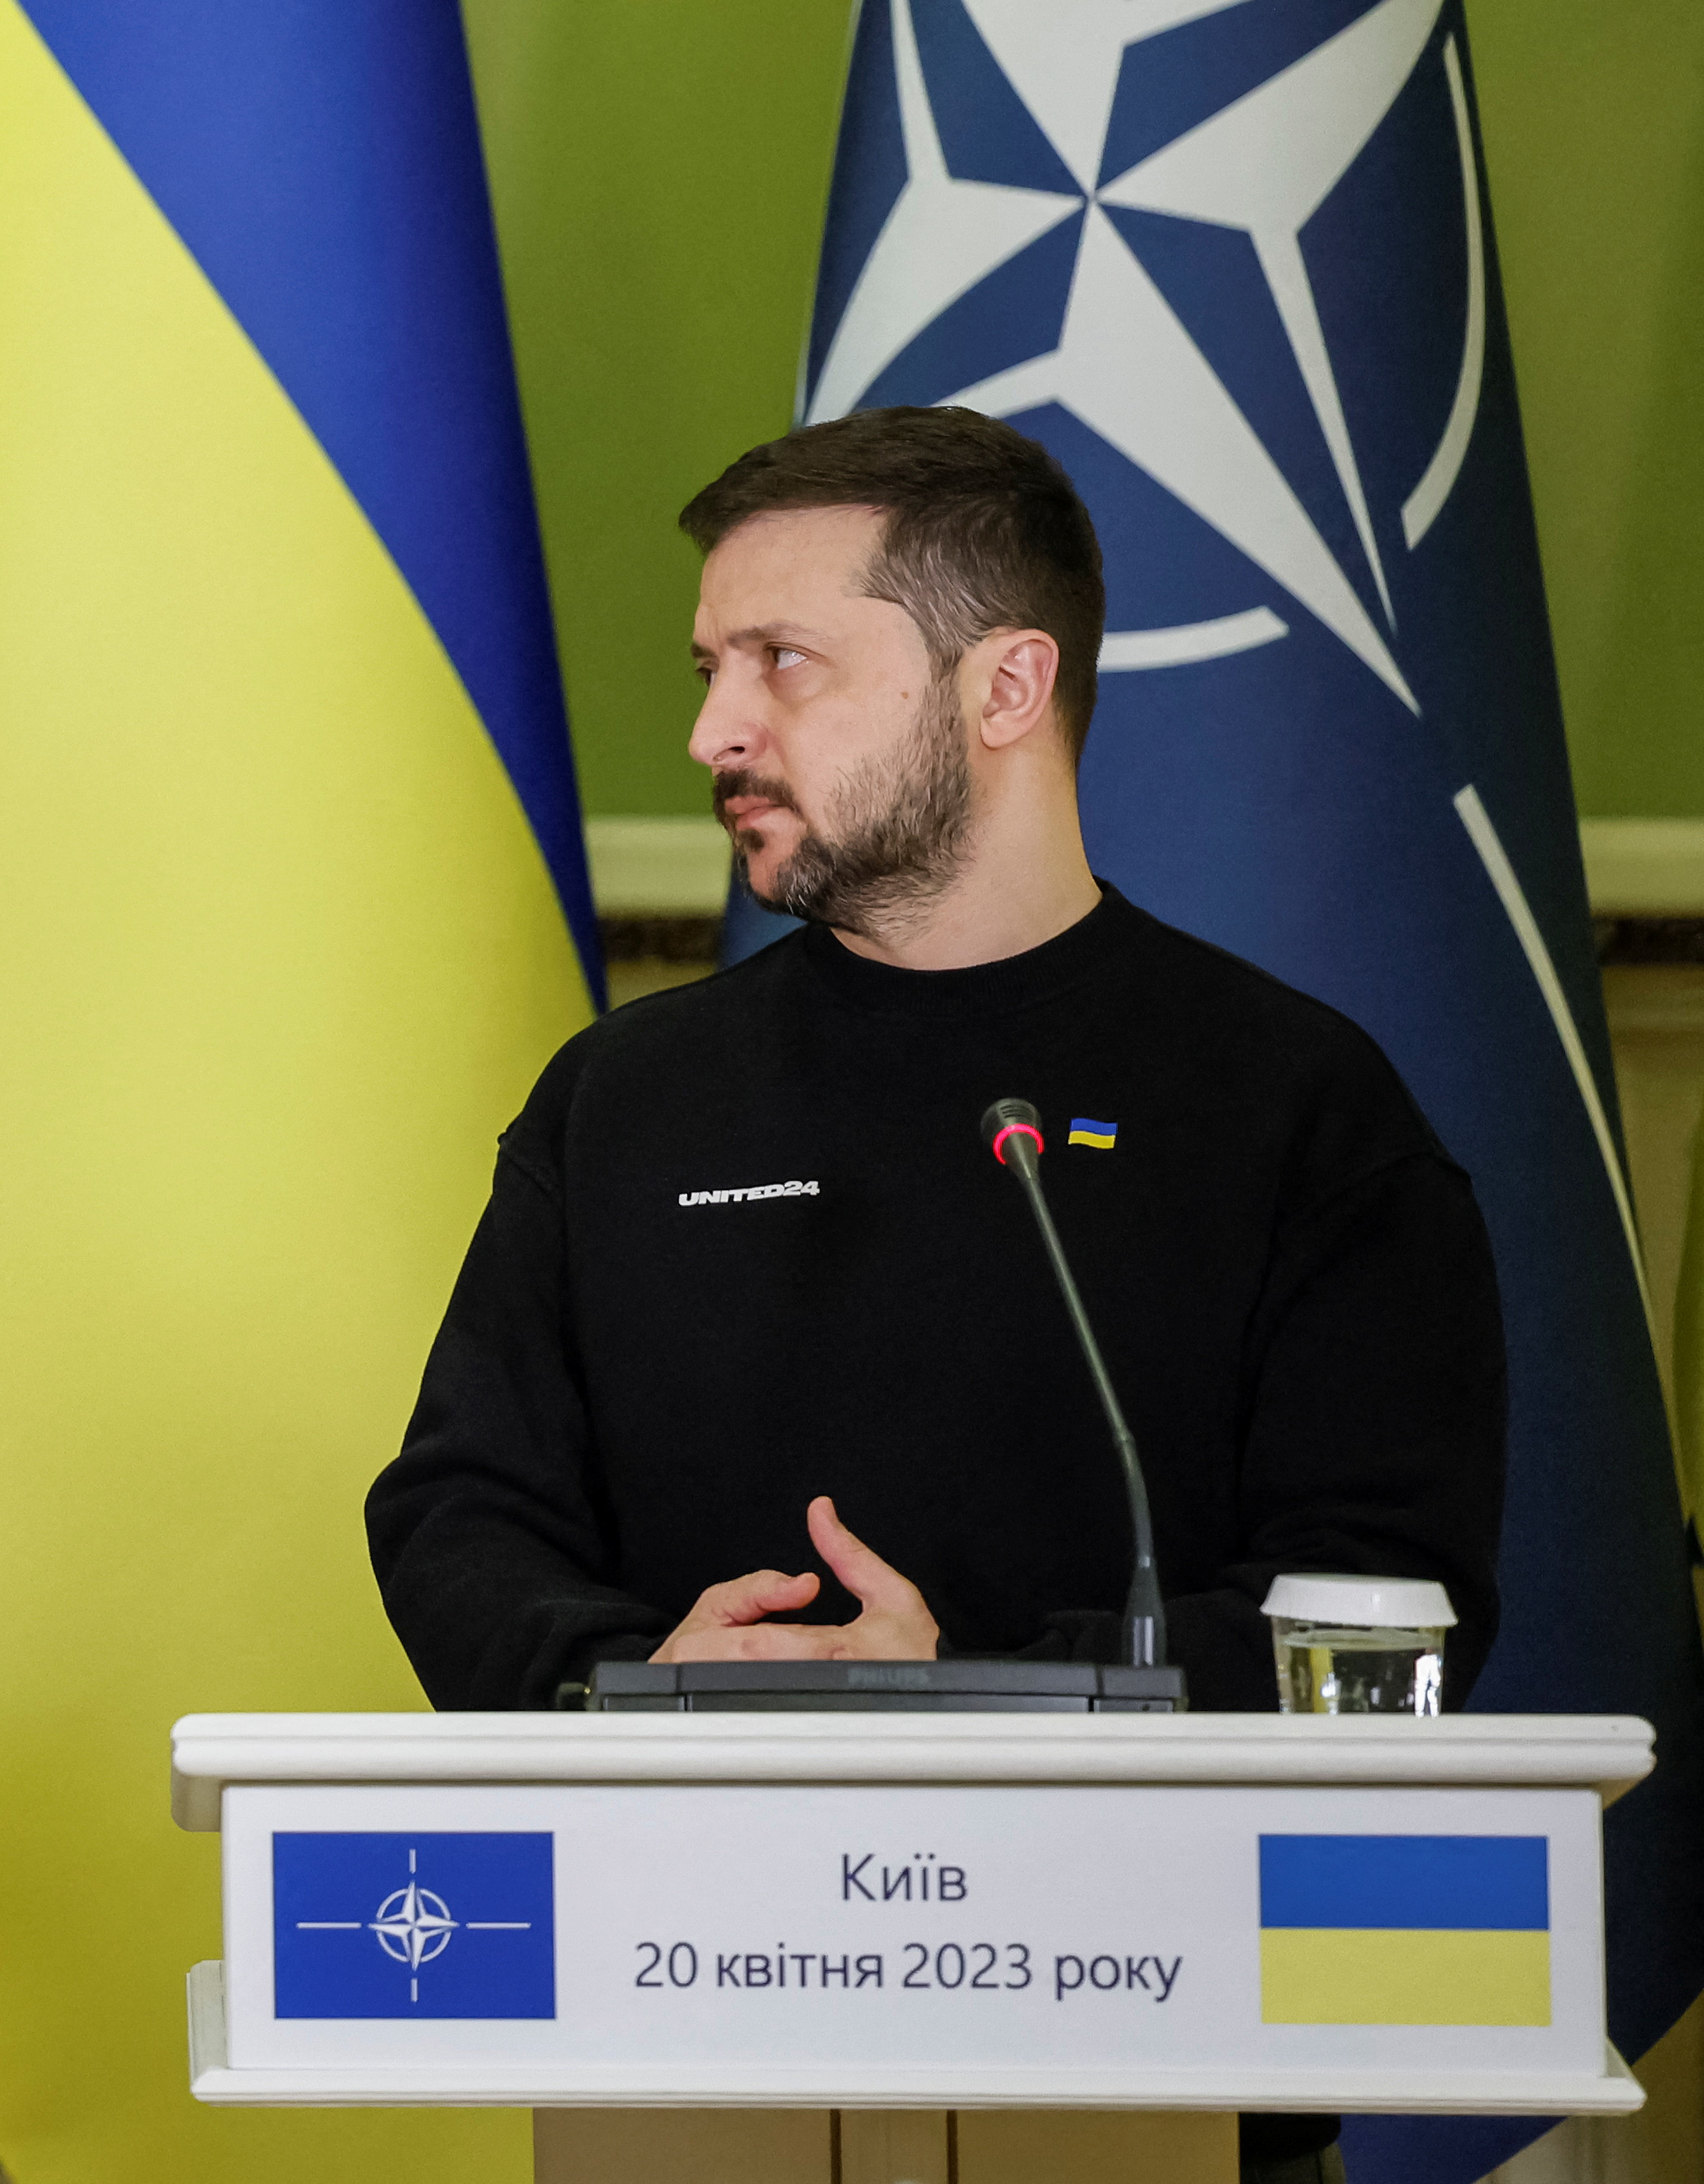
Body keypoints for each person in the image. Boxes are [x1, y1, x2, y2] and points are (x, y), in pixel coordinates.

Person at [366, 405, 1502, 1722]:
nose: (713, 733)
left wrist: (973, 1697)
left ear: (1004, 687)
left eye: (782, 661)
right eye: (708, 671)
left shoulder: (1295, 1105)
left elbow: (1386, 1600)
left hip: (1143, 1908)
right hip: (668, 1888)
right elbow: (460, 1516)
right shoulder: (622, 1098)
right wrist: (632, 1681)